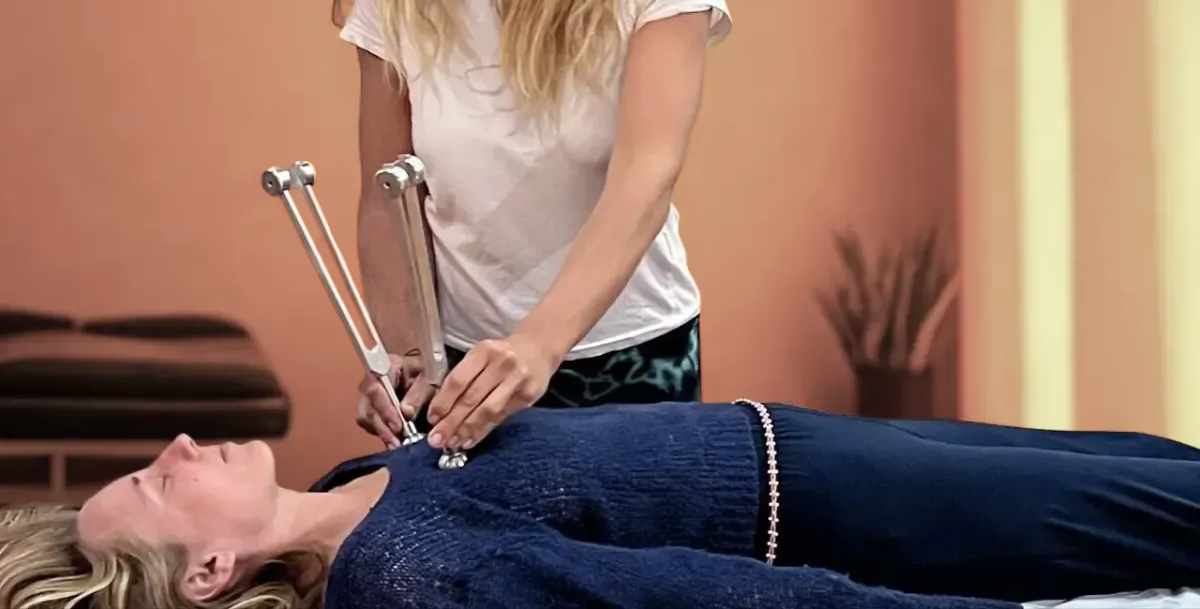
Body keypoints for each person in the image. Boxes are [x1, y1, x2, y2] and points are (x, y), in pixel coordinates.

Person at [331, 0, 730, 454]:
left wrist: (539, 346)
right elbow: (388, 195)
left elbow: (648, 171)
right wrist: (402, 352)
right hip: (462, 365)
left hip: (630, 355)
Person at [6, 402, 1200, 609]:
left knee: (1158, 467)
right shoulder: (402, 578)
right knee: (1170, 513)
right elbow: (708, 601)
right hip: (851, 511)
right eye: (159, 485)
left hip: (809, 448)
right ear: (209, 576)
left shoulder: (340, 498)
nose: (173, 447)